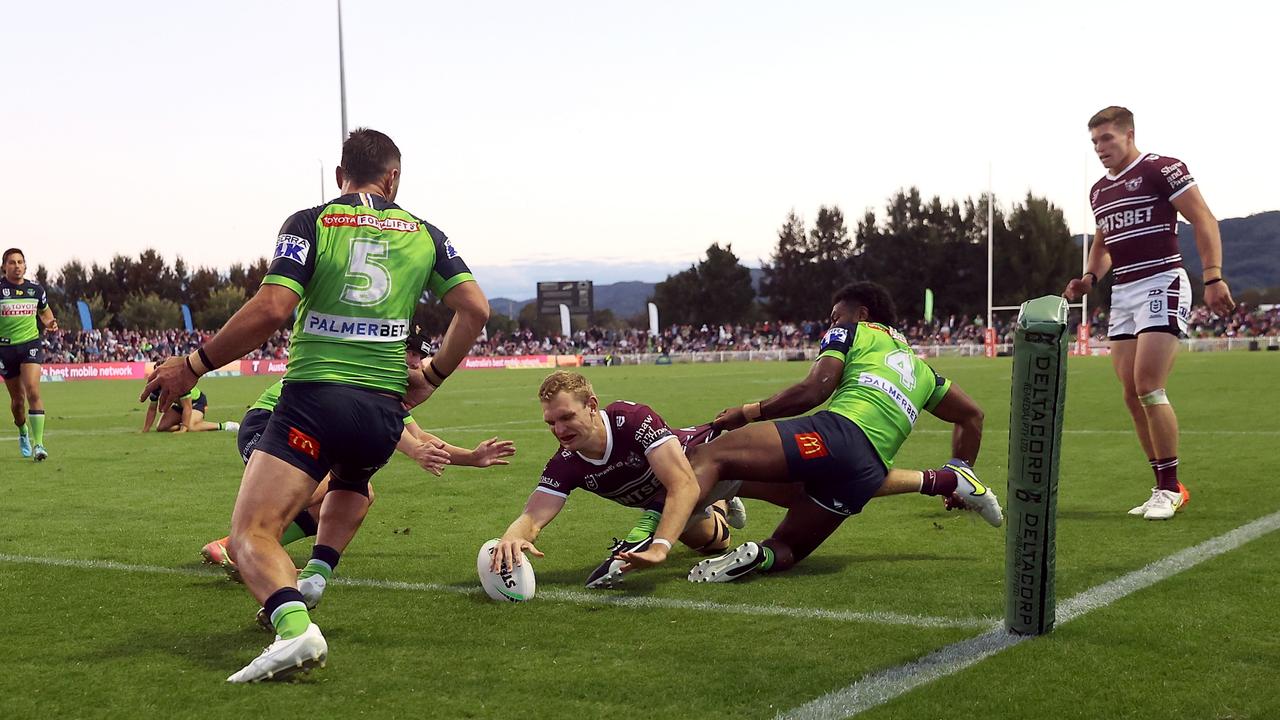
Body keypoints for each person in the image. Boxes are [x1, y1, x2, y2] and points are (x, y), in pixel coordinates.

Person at [143, 128, 489, 683]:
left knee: (251, 532)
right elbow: (474, 309)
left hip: (314, 401)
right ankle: (318, 576)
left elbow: (274, 308)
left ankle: (294, 627)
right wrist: (431, 375)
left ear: (338, 176)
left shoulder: (312, 221)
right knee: (353, 483)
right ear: (394, 178)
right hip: (382, 412)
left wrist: (192, 366)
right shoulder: (427, 235)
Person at [683, 281, 1000, 583]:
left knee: (710, 455)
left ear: (862, 314)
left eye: (835, 316)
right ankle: (760, 555)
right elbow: (973, 415)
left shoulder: (851, 331)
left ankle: (648, 542)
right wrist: (961, 465)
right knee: (786, 547)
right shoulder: (923, 370)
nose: (831, 322)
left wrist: (748, 412)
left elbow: (814, 390)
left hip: (838, 435)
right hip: (866, 476)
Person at [1063, 106, 1235, 521]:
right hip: (1123, 291)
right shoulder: (1099, 190)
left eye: (1107, 139)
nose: (1100, 148)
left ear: (1129, 134)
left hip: (1163, 281)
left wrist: (1214, 277)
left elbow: (1204, 218)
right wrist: (1089, 277)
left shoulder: (1162, 169)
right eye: (1094, 142)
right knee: (1130, 392)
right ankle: (1164, 485)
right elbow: (1104, 244)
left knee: (1148, 385)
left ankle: (1169, 488)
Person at [200, 375, 516, 596]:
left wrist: (472, 457)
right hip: (269, 422)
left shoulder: (384, 386)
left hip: (301, 423)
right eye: (414, 355)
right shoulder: (370, 374)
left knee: (354, 493)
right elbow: (408, 441)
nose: (419, 365)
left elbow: (419, 438)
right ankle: (238, 546)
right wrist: (415, 450)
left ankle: (274, 557)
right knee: (318, 485)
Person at [488, 371, 748, 589]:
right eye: (551, 422)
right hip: (664, 501)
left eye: (566, 417)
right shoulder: (564, 464)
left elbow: (681, 484)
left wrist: (658, 546)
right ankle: (721, 504)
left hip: (701, 463)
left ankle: (721, 492)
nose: (559, 430)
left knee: (772, 482)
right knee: (715, 544)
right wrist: (511, 538)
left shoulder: (631, 420)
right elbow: (532, 518)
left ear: (591, 405)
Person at [1, 248, 57, 461]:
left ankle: (39, 444)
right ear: (4, 267)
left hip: (30, 345)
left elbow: (45, 312)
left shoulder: (35, 289)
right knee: (17, 402)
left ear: (25, 265)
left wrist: (50, 322)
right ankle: (23, 431)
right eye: (12, 262)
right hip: (5, 350)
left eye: (20, 262)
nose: (17, 266)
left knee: (33, 390)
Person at [141, 385, 240, 433]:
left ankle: (226, 426)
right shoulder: (155, 387)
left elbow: (188, 407)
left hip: (195, 403)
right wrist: (145, 429)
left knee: (191, 427)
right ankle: (185, 423)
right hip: (181, 405)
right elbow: (152, 409)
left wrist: (184, 429)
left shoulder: (180, 384)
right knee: (161, 427)